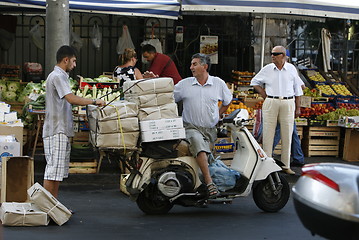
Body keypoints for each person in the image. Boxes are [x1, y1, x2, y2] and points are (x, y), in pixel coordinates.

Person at [42, 45, 106, 199]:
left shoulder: (61, 76)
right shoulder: (57, 76)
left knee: (57, 173)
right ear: (66, 60)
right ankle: (46, 207)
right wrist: (94, 101)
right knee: (52, 172)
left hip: (61, 130)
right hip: (56, 130)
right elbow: (70, 98)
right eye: (74, 61)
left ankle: (54, 206)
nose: (75, 65)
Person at [174, 53, 232, 198]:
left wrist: (218, 114)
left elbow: (227, 101)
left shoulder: (218, 83)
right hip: (191, 128)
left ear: (204, 67)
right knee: (199, 147)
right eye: (191, 64)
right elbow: (169, 96)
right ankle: (209, 182)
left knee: (205, 157)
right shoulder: (184, 84)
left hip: (210, 130)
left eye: (194, 64)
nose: (191, 67)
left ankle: (199, 188)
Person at [250, 45, 303, 175]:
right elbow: (254, 81)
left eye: (276, 54)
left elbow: (298, 88)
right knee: (268, 133)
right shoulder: (267, 69)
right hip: (272, 101)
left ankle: (286, 165)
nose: (272, 56)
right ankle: (267, 164)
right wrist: (264, 94)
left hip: (288, 101)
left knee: (287, 133)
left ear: (283, 56)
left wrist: (298, 107)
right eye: (272, 54)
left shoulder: (291, 69)